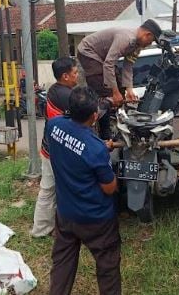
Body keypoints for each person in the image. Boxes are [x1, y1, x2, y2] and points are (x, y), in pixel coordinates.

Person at [47, 86, 120, 295]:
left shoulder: (53, 126)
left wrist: (98, 146)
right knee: (108, 266)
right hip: (96, 219)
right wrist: (102, 152)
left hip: (66, 213)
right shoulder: (95, 149)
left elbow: (75, 146)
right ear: (95, 116)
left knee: (62, 262)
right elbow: (109, 188)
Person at [77, 19, 162, 139]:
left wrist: (129, 89)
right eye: (151, 41)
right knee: (105, 89)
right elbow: (108, 64)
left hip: (102, 57)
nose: (149, 44)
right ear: (147, 34)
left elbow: (128, 66)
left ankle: (115, 121)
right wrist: (115, 93)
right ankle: (104, 132)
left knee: (118, 82)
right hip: (87, 51)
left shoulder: (137, 46)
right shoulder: (126, 39)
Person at [31, 57, 79, 238]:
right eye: (75, 73)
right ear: (65, 76)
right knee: (50, 189)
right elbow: (86, 113)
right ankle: (42, 229)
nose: (77, 75)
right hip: (55, 153)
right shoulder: (66, 96)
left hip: (50, 149)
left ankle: (47, 227)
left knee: (51, 189)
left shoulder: (55, 90)